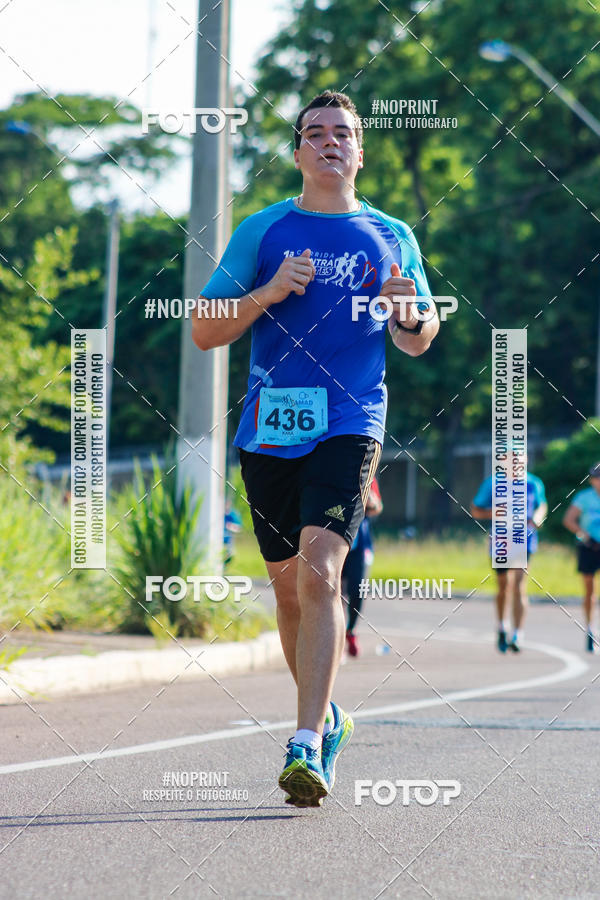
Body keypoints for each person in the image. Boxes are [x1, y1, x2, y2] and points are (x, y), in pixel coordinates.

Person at [191, 90, 439, 807]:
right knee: (288, 590)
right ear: (298, 151)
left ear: (360, 151)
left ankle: (303, 743)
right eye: (316, 133)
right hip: (270, 427)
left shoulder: (392, 234)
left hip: (350, 420)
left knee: (321, 570)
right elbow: (206, 330)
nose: (330, 143)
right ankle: (328, 717)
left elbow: (418, 338)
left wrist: (408, 313)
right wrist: (269, 291)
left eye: (344, 134)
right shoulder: (264, 231)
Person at [471, 466, 547, 653]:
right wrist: (495, 513)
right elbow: (476, 510)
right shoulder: (493, 483)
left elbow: (542, 505)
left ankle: (518, 634)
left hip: (524, 540)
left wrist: (538, 517)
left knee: (520, 585)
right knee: (504, 586)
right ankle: (502, 626)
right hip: (501, 540)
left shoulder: (533, 482)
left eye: (520, 456)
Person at [562, 462, 600, 653]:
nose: (597, 481)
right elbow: (569, 520)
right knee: (589, 590)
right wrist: (584, 535)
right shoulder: (584, 498)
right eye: (595, 478)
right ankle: (590, 627)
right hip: (590, 547)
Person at [343, 477, 382, 657]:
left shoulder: (368, 474)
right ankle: (334, 638)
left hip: (359, 542)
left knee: (358, 590)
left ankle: (350, 630)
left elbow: (378, 506)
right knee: (333, 592)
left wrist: (371, 502)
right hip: (334, 536)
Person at [223, 501, 242, 568]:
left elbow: (238, 528)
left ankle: (224, 568)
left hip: (228, 541)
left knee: (229, 555)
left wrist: (230, 526)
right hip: (218, 540)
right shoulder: (218, 513)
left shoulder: (233, 515)